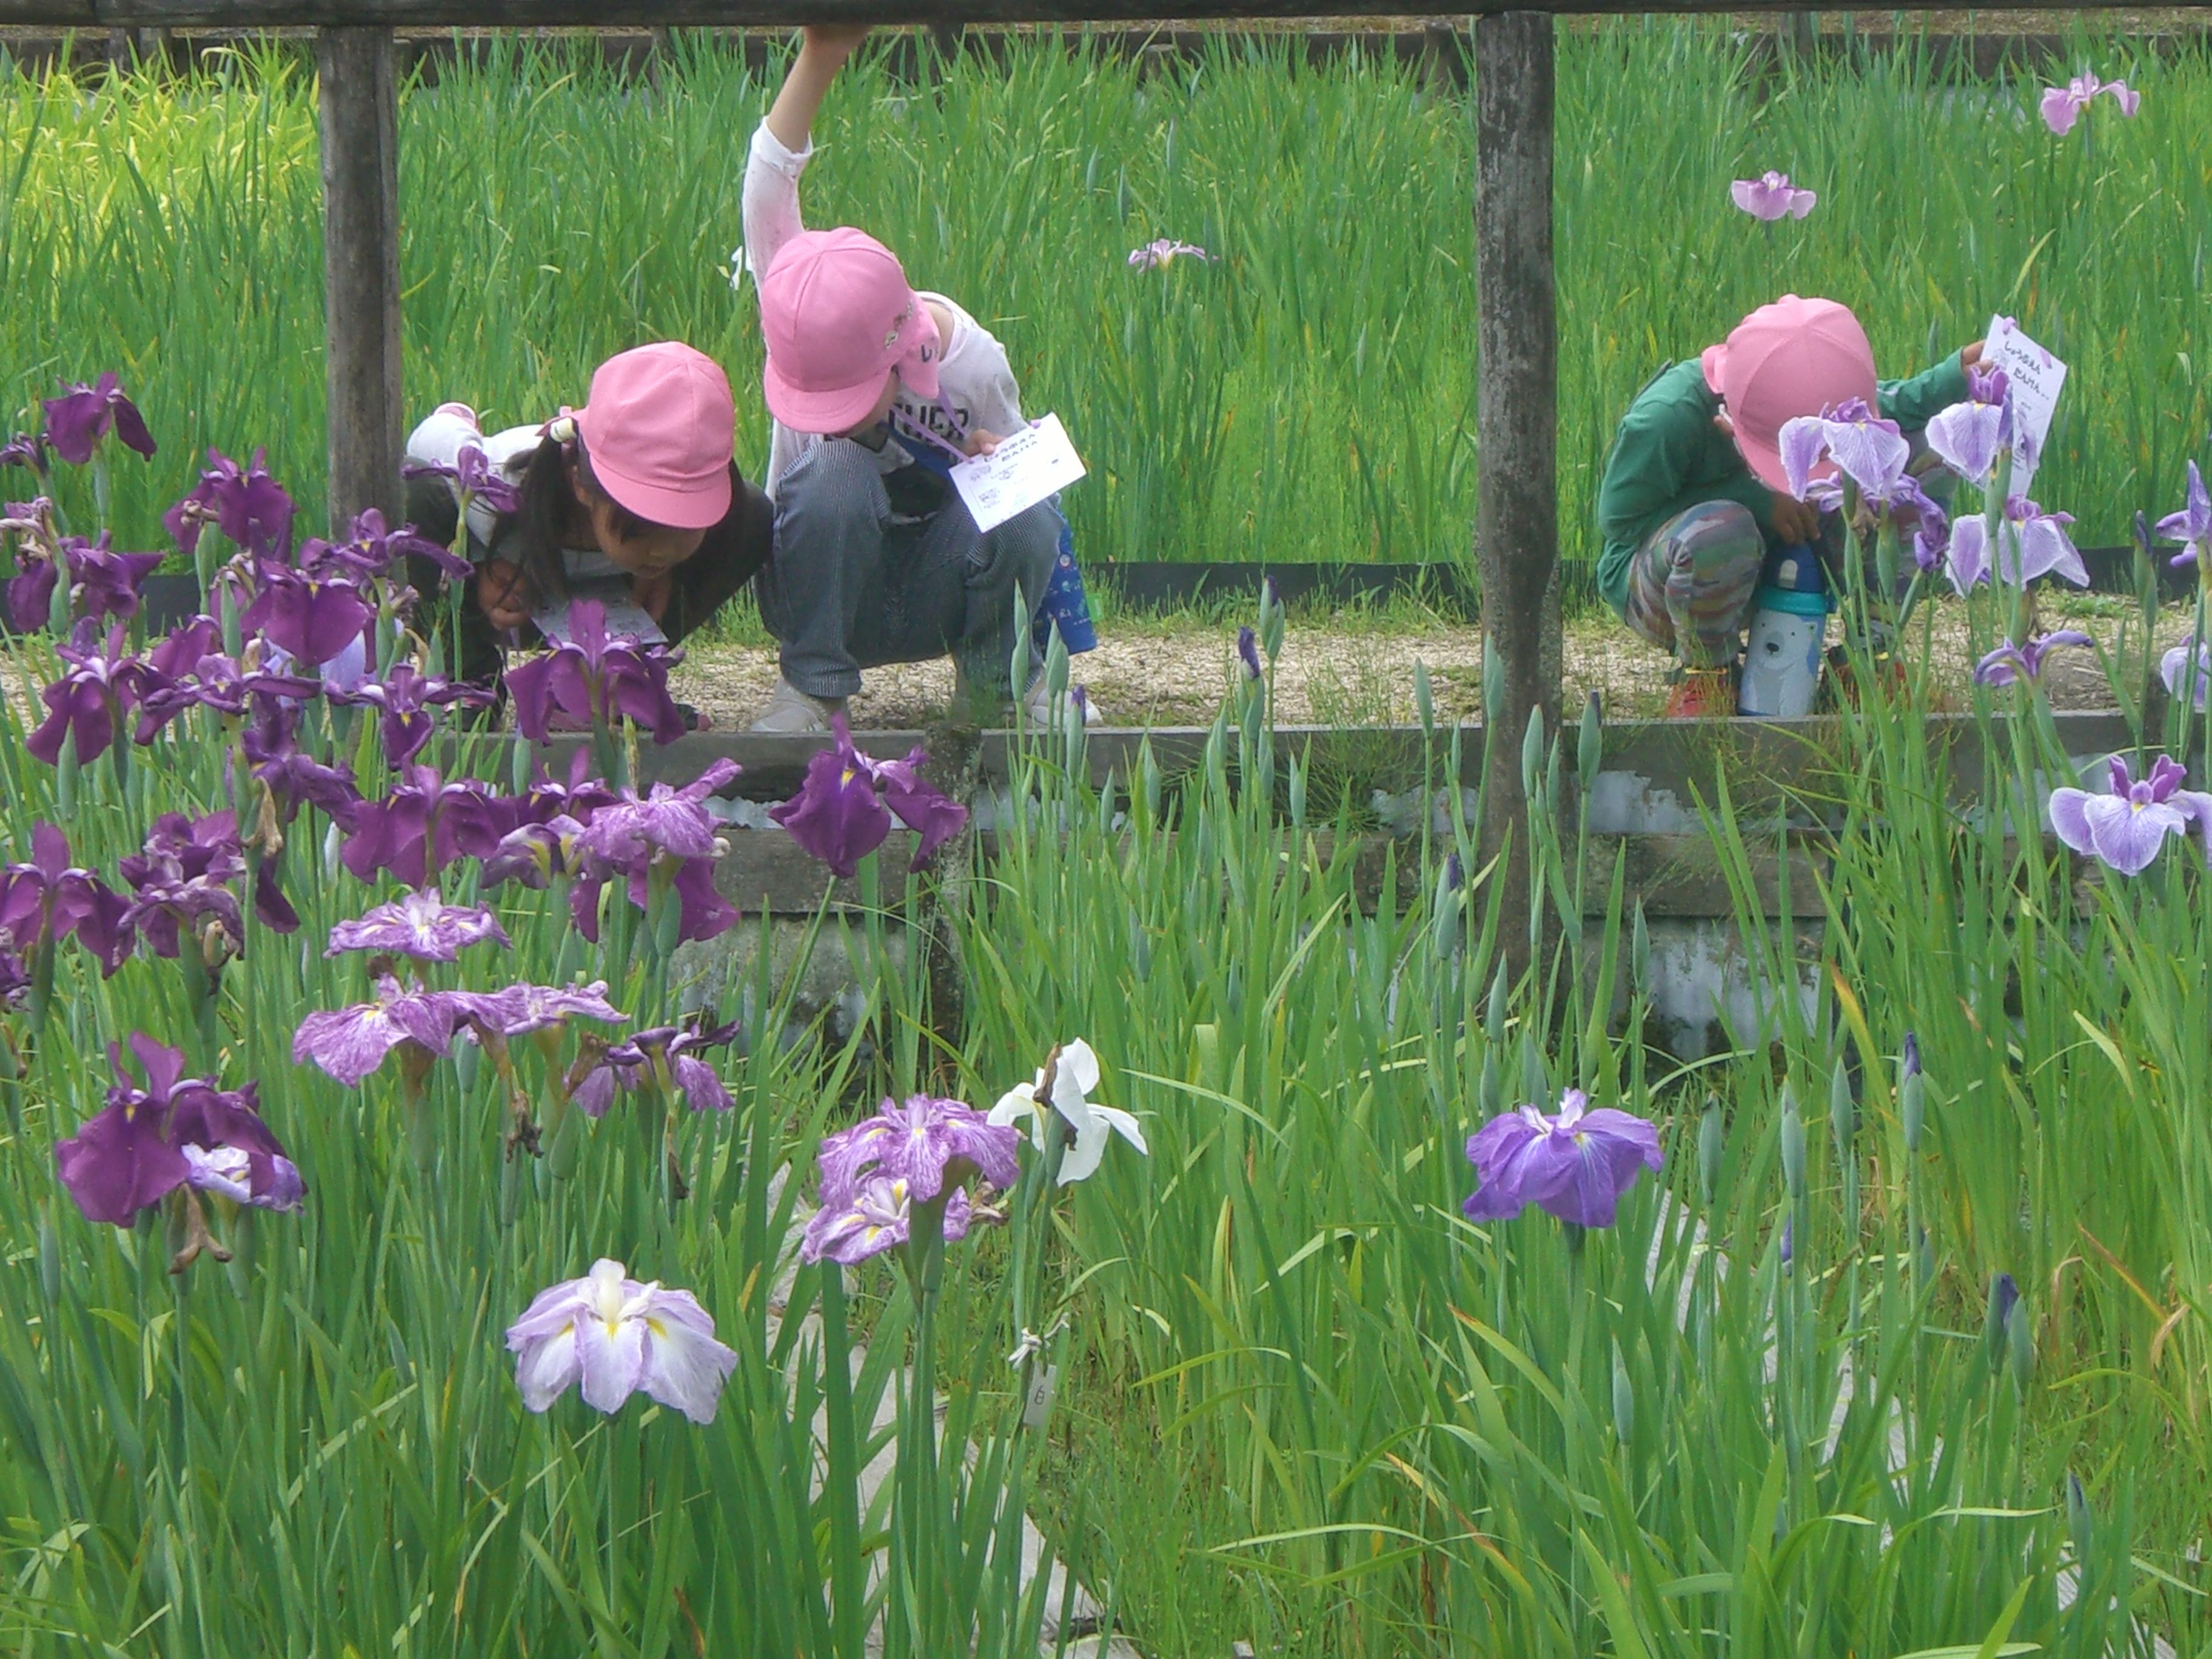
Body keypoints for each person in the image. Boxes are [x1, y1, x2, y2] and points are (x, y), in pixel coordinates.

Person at [736, 25, 1102, 734]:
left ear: (902, 350)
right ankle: (813, 690)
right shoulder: (795, 301)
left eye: (843, 397)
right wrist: (823, 54)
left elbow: (1034, 521)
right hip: (825, 579)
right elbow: (767, 184)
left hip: (943, 584)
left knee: (1023, 507)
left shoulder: (973, 364)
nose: (828, 415)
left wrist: (999, 468)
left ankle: (1001, 684)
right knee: (831, 466)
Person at [1595, 294, 1980, 717]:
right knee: (1723, 527)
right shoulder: (1665, 420)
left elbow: (1890, 410)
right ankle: (1707, 674)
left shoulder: (1807, 380)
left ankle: (1870, 661)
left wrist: (1956, 373)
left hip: (1792, 549)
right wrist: (1755, 497)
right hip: (1675, 582)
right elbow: (1621, 526)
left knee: (1922, 456)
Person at [402, 341, 774, 691]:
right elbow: (429, 442)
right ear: (581, 484)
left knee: (755, 514)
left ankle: (621, 677)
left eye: (688, 524)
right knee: (416, 497)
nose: (663, 550)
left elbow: (700, 537)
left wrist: (672, 573)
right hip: (511, 605)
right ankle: (471, 681)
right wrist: (486, 558)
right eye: (643, 526)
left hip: (614, 609)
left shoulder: (710, 527)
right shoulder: (496, 483)